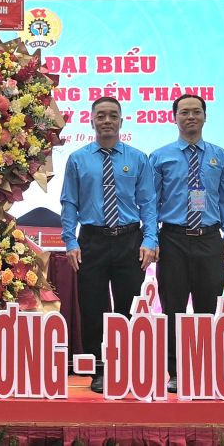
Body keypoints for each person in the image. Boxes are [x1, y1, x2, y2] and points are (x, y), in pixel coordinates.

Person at [60, 96, 157, 394]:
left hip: (129, 239)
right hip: (92, 240)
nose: (106, 121)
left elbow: (148, 203)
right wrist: (70, 240)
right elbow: (69, 203)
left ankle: (128, 367)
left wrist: (150, 239)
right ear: (91, 121)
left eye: (112, 115)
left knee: (129, 307)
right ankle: (99, 370)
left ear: (121, 121)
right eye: (100, 115)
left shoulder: (138, 158)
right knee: (93, 308)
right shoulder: (78, 159)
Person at [149, 94, 224, 393]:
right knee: (172, 308)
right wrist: (152, 237)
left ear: (205, 116)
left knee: (207, 307)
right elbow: (150, 203)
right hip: (172, 239)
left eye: (196, 112)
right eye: (184, 112)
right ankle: (175, 372)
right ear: (175, 117)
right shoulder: (160, 157)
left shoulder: (220, 156)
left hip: (210, 239)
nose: (190, 117)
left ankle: (205, 369)